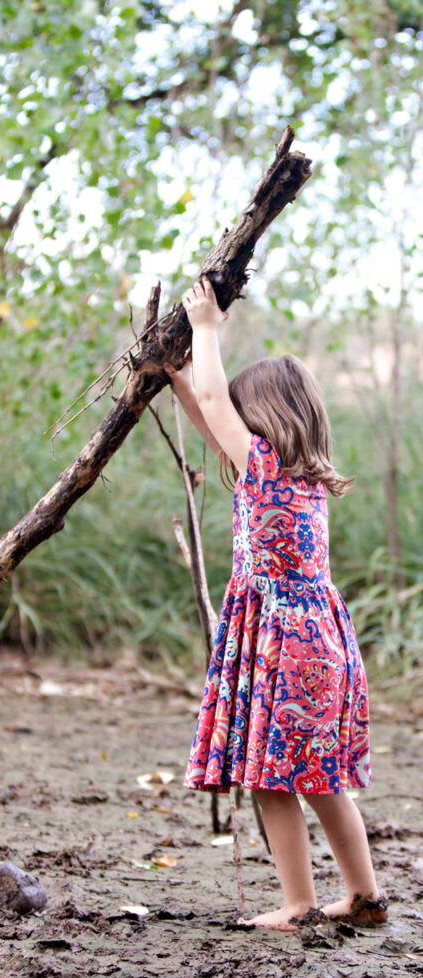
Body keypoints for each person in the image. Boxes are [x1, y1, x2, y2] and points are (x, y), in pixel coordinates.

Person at [164, 277, 386, 932]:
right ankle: (365, 896)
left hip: (287, 648)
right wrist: (177, 380)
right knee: (320, 779)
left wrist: (205, 327)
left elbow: (214, 399)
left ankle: (298, 904)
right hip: (322, 642)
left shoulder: (261, 469)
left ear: (263, 419)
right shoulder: (302, 481)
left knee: (273, 779)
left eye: (241, 411)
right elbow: (211, 416)